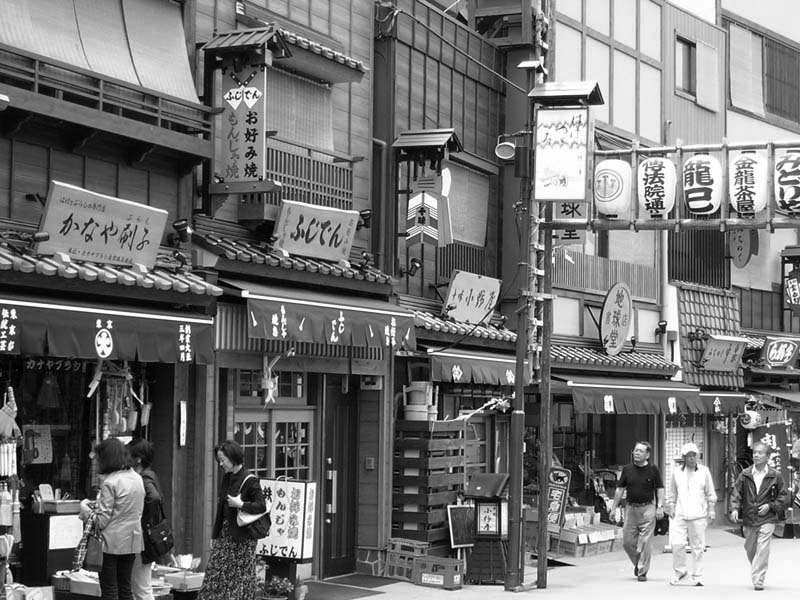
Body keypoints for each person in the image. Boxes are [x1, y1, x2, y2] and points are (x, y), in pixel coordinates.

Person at [198, 439, 267, 600]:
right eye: (219, 460)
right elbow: (221, 509)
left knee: (238, 581)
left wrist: (241, 504)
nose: (221, 464)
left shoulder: (250, 480)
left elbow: (261, 506)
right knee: (214, 576)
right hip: (225, 536)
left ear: (233, 458)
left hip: (242, 539)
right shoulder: (228, 478)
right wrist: (215, 535)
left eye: (223, 460)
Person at [79, 438, 145, 600]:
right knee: (125, 587)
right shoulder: (137, 478)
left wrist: (85, 509)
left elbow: (101, 520)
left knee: (109, 590)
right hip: (132, 540)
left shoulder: (110, 482)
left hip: (110, 544)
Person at [729, 441, 790, 591]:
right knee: (750, 548)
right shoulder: (746, 474)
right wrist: (735, 509)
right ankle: (757, 569)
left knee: (763, 547)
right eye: (755, 452)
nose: (756, 455)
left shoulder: (775, 475)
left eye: (760, 453)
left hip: (767, 517)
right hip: (749, 517)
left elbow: (784, 496)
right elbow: (737, 493)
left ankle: (758, 579)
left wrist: (771, 506)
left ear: (768, 456)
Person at [609, 441, 665, 582]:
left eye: (640, 451)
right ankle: (638, 563)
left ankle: (642, 572)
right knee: (627, 542)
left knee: (646, 542)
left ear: (647, 454)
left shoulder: (653, 469)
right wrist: (613, 507)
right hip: (631, 509)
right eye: (635, 450)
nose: (637, 453)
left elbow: (659, 488)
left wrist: (660, 506)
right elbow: (620, 489)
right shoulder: (627, 470)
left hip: (648, 508)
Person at [665, 442, 716, 586]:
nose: (692, 458)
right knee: (677, 544)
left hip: (698, 515)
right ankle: (680, 572)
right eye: (689, 456)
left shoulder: (704, 471)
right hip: (679, 514)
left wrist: (711, 510)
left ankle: (698, 575)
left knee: (698, 547)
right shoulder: (676, 472)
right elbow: (672, 493)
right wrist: (671, 507)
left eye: (694, 455)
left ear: (698, 456)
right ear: (684, 457)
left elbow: (710, 493)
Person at [127, 438, 166, 600]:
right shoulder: (149, 475)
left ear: (138, 459)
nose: (125, 458)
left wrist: (141, 521)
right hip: (145, 541)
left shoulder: (143, 479)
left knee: (141, 589)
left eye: (128, 455)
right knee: (140, 587)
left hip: (142, 542)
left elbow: (154, 498)